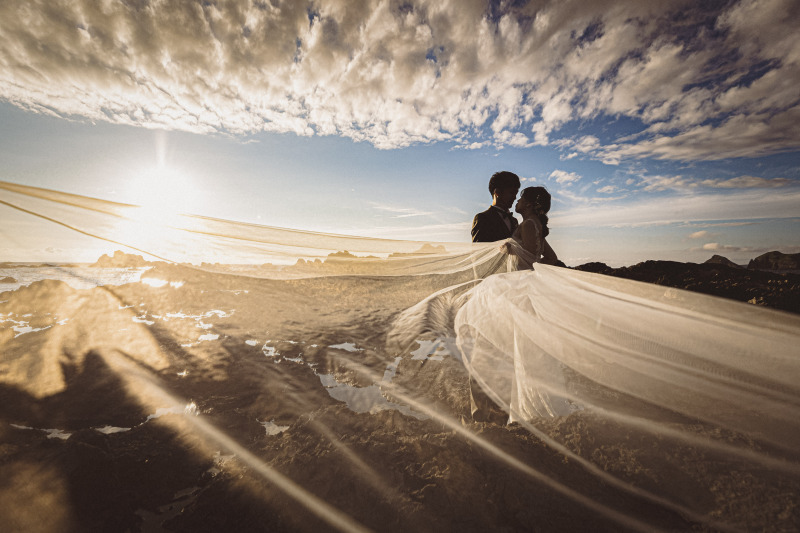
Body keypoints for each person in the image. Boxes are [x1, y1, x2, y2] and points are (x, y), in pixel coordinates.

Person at [505, 186, 561, 269]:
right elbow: (551, 258)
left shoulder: (528, 224)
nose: (517, 200)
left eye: (521, 198)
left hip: (523, 274)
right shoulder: (536, 224)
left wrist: (510, 249)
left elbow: (529, 257)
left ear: (528, 204)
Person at [471, 171, 520, 242]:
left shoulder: (514, 221)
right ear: (497, 192)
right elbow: (479, 247)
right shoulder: (483, 218)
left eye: (516, 194)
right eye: (511, 193)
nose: (515, 197)